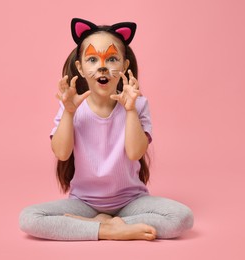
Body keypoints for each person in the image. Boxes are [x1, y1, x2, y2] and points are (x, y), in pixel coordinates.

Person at [19, 18, 193, 241]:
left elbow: (135, 153)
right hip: (84, 203)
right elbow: (62, 153)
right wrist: (69, 113)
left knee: (181, 217)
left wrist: (130, 110)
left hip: (132, 202)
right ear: (80, 68)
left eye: (112, 59)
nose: (102, 66)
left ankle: (101, 225)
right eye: (92, 59)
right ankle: (108, 229)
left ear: (124, 66)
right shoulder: (72, 107)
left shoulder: (138, 104)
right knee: (29, 218)